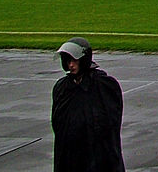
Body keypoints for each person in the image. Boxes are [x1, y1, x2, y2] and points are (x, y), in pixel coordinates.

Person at [52, 37, 125, 172]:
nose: (71, 65)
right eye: (68, 61)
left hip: (96, 155)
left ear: (84, 60)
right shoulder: (61, 88)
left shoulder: (104, 85)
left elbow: (110, 124)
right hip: (70, 155)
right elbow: (58, 123)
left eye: (74, 61)